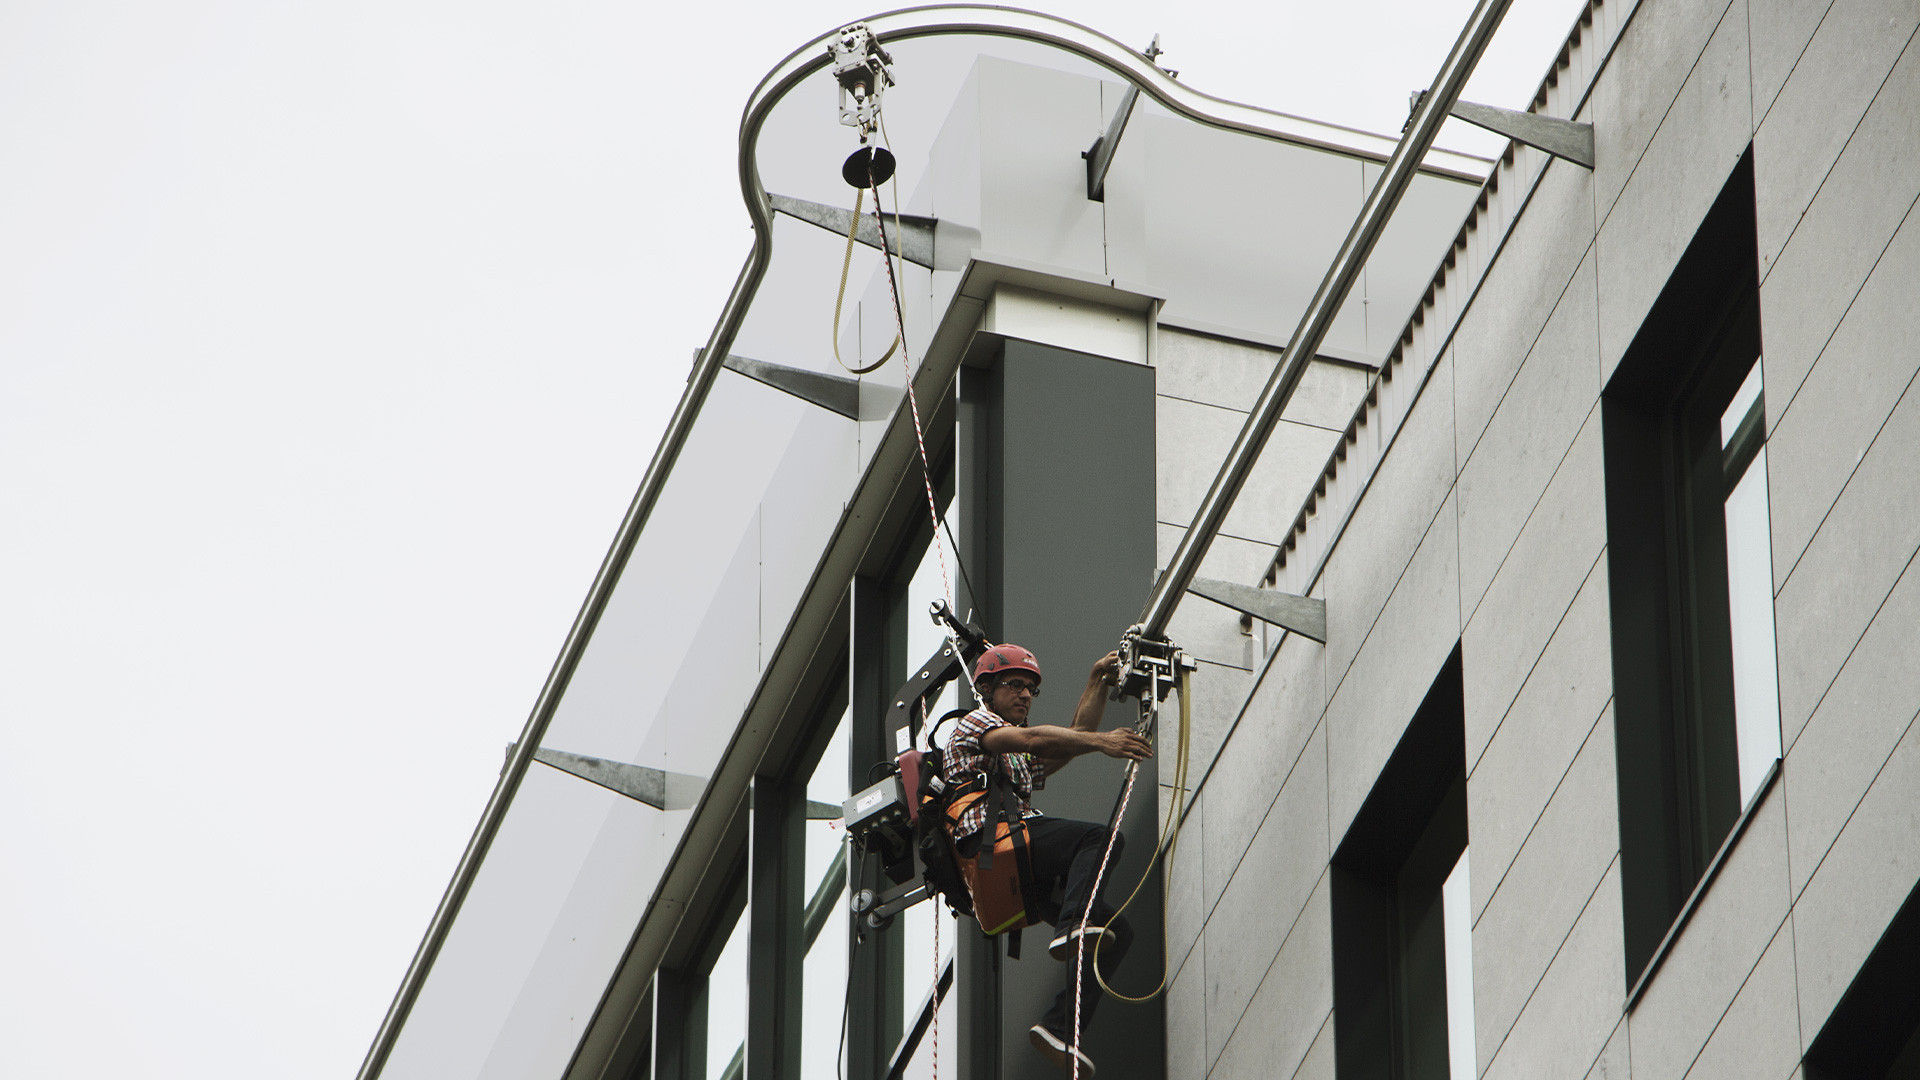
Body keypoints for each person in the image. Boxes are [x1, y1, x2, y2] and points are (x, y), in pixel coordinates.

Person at [942, 643, 1154, 1076]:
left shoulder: (1015, 761)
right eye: (1014, 685)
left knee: (1118, 931)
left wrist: (1096, 679)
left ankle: (1061, 1028)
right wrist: (1103, 741)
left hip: (1014, 861)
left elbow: (1068, 741)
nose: (1024, 695)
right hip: (993, 839)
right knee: (1098, 839)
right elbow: (1034, 738)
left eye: (1030, 689)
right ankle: (1075, 921)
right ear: (986, 688)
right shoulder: (974, 724)